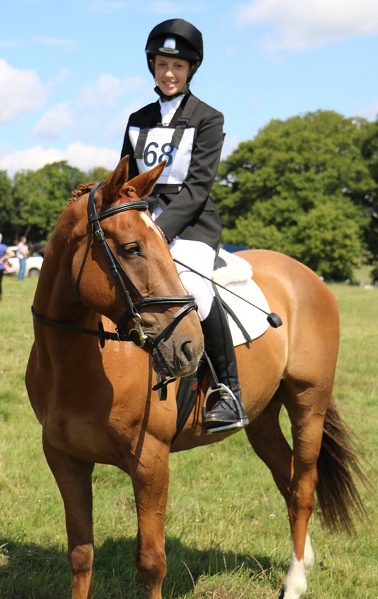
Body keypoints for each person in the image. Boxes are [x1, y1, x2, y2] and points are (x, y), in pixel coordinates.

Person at [120, 18, 247, 433]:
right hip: (141, 223)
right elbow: (124, 179)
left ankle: (227, 391)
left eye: (177, 66)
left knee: (198, 289)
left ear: (191, 69)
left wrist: (158, 230)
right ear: (151, 66)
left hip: (191, 224)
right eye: (161, 64)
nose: (169, 73)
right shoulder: (137, 119)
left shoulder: (208, 118)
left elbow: (197, 188)